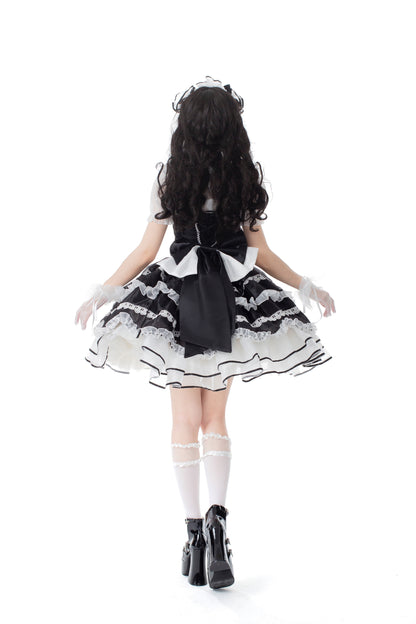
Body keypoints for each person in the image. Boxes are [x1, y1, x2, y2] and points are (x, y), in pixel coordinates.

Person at [74, 75, 336, 590]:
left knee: (183, 419)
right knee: (215, 416)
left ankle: (193, 534)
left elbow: (146, 251)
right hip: (228, 299)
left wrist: (104, 293)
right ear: (233, 127)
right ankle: (219, 526)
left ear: (186, 128)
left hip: (179, 299)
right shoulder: (242, 178)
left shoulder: (172, 178)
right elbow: (262, 253)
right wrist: (305, 285)